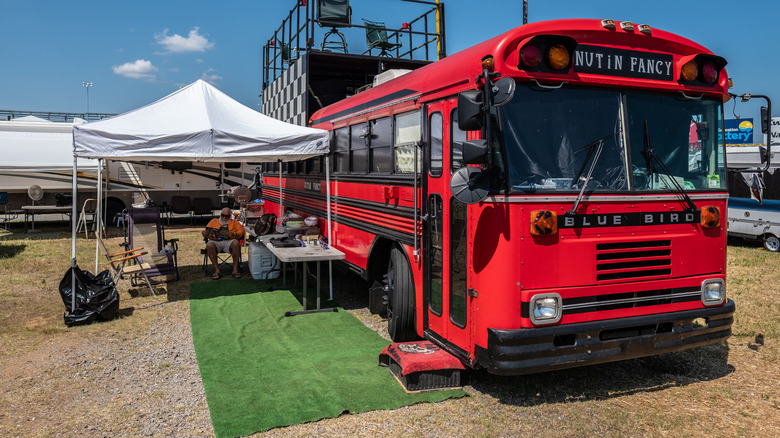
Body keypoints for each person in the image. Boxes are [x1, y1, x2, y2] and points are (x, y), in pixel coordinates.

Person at [202, 207, 245, 279]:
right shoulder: (213, 221)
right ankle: (217, 271)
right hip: (215, 242)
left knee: (236, 243)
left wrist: (233, 234)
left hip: (229, 242)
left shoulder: (234, 222)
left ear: (230, 216)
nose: (224, 217)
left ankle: (235, 270)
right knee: (209, 245)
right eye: (222, 215)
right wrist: (204, 233)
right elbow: (206, 231)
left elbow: (241, 232)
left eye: (227, 216)